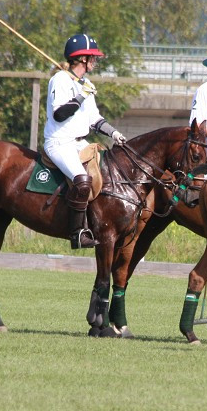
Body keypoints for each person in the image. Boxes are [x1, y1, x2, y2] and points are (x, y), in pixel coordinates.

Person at [44, 33, 127, 249]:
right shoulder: (60, 79)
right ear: (82, 59)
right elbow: (59, 114)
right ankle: (76, 234)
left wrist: (114, 133)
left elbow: (95, 119)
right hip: (59, 142)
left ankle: (96, 224)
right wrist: (80, 95)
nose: (95, 61)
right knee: (82, 180)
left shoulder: (85, 83)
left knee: (106, 174)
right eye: (93, 58)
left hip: (80, 142)